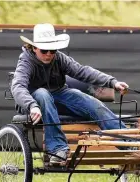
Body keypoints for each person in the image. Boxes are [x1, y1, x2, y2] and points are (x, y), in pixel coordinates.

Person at [11, 23, 129, 165]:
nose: (49, 54)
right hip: (34, 101)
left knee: (90, 102)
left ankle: (126, 140)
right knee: (43, 94)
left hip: (59, 94)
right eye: (44, 50)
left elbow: (82, 71)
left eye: (52, 50)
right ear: (34, 48)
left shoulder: (59, 58)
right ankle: (57, 149)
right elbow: (18, 86)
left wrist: (112, 82)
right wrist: (32, 106)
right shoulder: (26, 61)